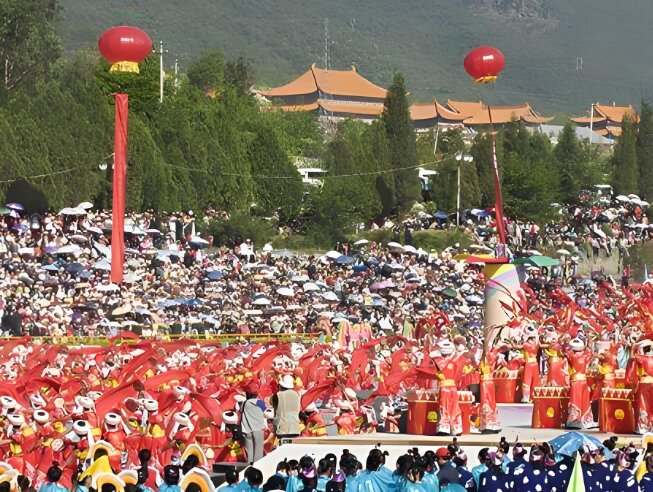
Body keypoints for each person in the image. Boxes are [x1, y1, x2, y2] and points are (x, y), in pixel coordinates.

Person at [240, 382, 267, 464]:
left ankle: (249, 466)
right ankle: (257, 466)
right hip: (258, 429)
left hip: (247, 429)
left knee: (249, 452)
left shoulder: (244, 403)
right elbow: (265, 410)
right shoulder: (259, 402)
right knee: (258, 450)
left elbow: (241, 412)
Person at [272, 375, 301, 440]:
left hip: (282, 430)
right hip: (295, 429)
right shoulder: (297, 395)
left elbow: (276, 412)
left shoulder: (277, 395)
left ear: (281, 385)